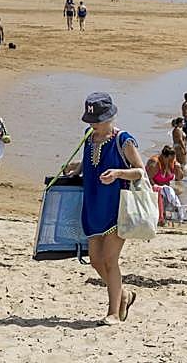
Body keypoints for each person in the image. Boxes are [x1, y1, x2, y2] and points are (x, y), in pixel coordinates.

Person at [61, 93, 144, 325]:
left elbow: (140, 171)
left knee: (110, 259)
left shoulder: (124, 140)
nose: (93, 124)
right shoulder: (88, 137)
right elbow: (90, 163)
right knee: (96, 260)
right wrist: (77, 169)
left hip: (116, 209)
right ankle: (124, 296)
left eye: (96, 120)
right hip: (93, 204)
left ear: (110, 117)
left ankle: (114, 312)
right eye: (91, 120)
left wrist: (118, 173)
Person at [146, 145, 186, 224]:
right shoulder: (155, 163)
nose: (172, 161)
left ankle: (173, 217)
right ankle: (159, 217)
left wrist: (178, 169)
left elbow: (180, 178)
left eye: (173, 159)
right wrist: (158, 188)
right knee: (162, 195)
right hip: (153, 190)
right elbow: (147, 179)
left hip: (165, 190)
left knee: (177, 193)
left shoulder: (173, 163)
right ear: (164, 156)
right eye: (170, 159)